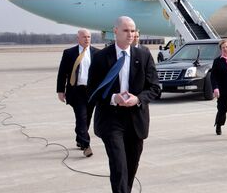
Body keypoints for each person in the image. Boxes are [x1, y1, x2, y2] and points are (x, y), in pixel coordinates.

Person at [87, 16, 160, 193]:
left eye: (133, 30)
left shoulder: (143, 56)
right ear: (115, 31)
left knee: (131, 165)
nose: (130, 34)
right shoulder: (101, 57)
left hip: (136, 119)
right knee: (119, 166)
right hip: (111, 120)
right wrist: (114, 98)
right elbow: (92, 90)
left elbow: (155, 88)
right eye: (126, 30)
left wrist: (138, 99)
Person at [56, 29, 98, 157]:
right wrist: (60, 91)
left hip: (91, 91)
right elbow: (62, 73)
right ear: (78, 38)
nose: (87, 39)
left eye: (89, 37)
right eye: (84, 37)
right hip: (76, 90)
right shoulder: (69, 53)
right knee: (81, 117)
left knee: (87, 118)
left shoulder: (97, 53)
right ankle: (86, 145)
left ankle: (80, 139)